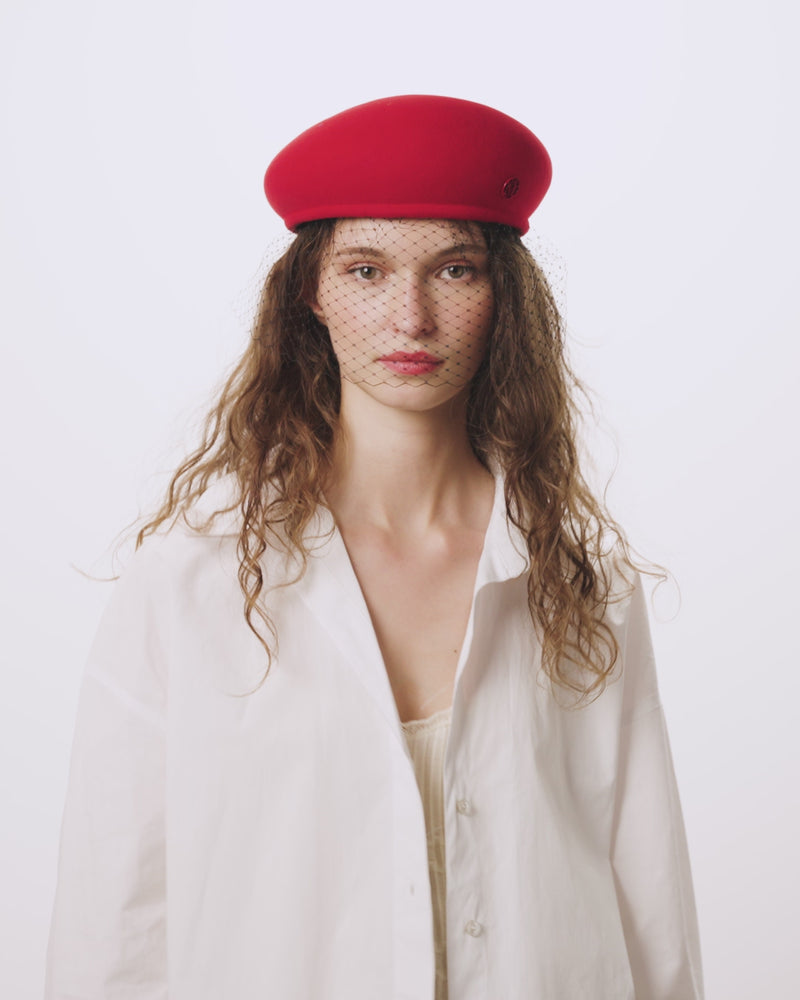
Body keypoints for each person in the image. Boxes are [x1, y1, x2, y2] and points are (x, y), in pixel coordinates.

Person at [44, 95, 704, 999]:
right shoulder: (192, 581)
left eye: (455, 270)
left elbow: (649, 896)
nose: (411, 317)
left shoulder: (583, 583)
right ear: (310, 293)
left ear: (502, 299)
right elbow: (114, 915)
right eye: (366, 271)